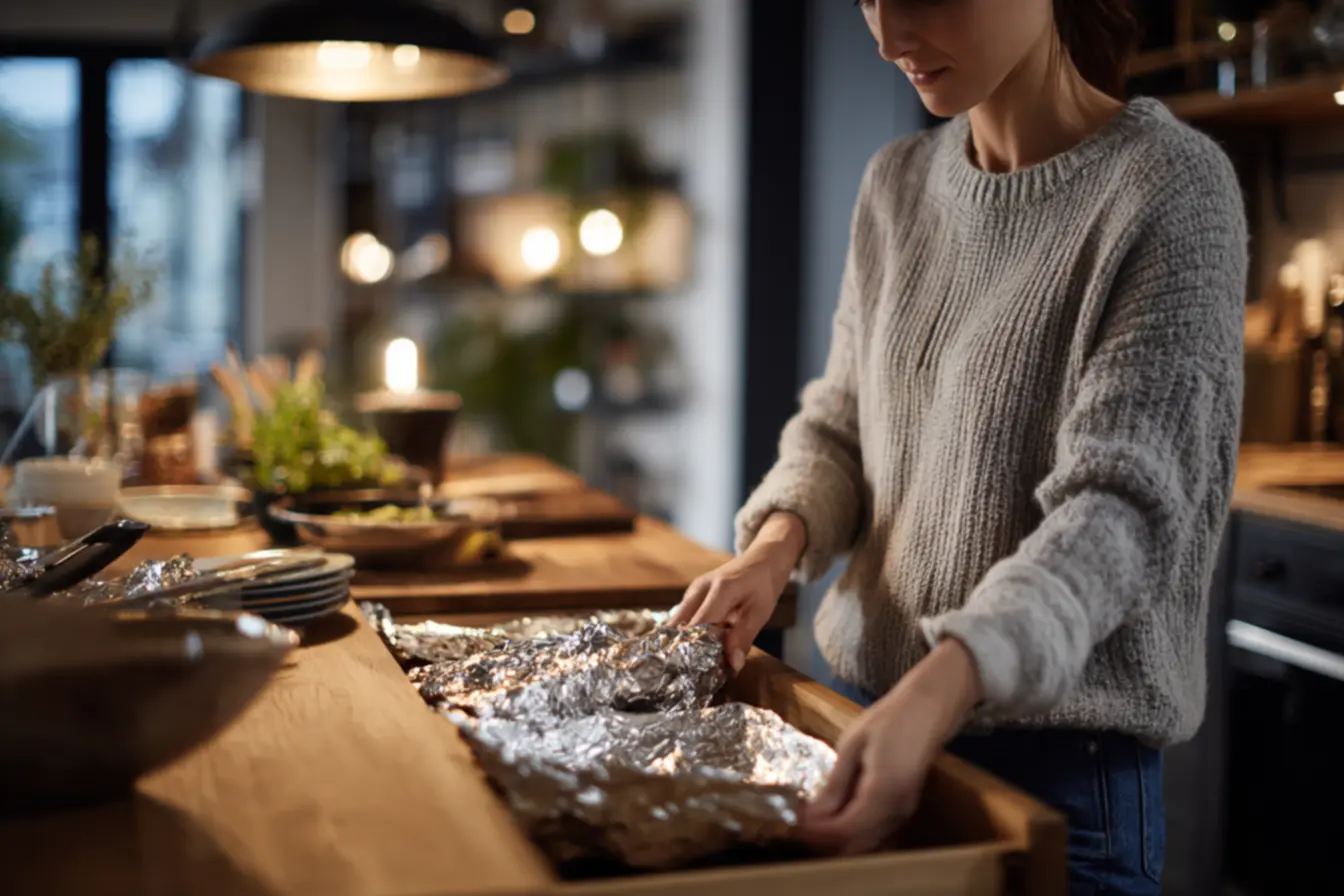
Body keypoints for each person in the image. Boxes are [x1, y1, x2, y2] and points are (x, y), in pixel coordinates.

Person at [670, 1, 1247, 892]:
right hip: (866, 719)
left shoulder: (1169, 187)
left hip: (1061, 783)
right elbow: (838, 422)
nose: (889, 36)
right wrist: (774, 549)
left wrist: (941, 689)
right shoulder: (896, 183)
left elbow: (1118, 509)